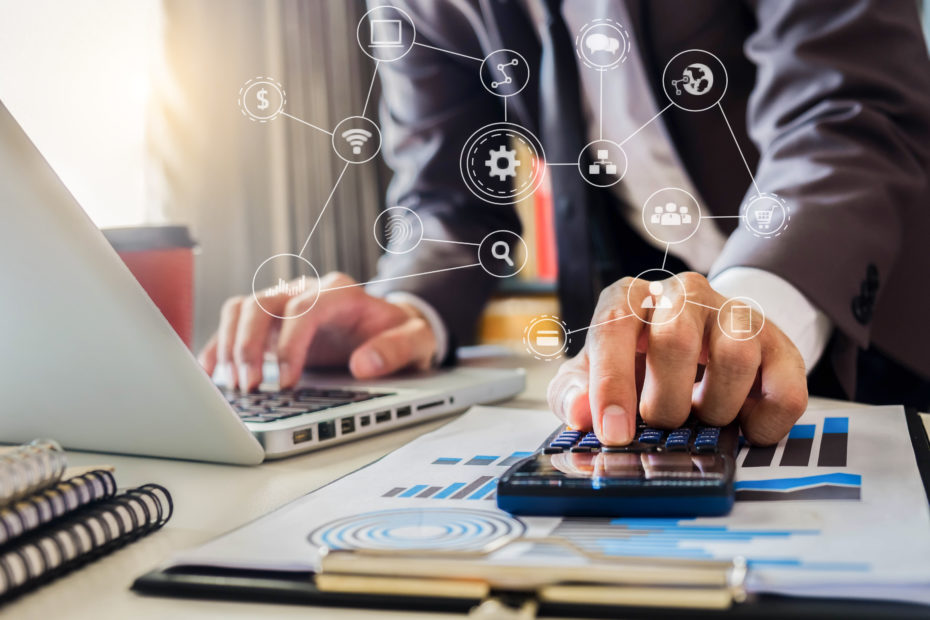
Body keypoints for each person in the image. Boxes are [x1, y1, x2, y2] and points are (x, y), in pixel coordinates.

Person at [199, 0, 930, 447]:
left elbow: (847, 115)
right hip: (668, 365)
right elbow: (443, 190)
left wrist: (749, 311)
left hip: (886, 314)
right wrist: (400, 305)